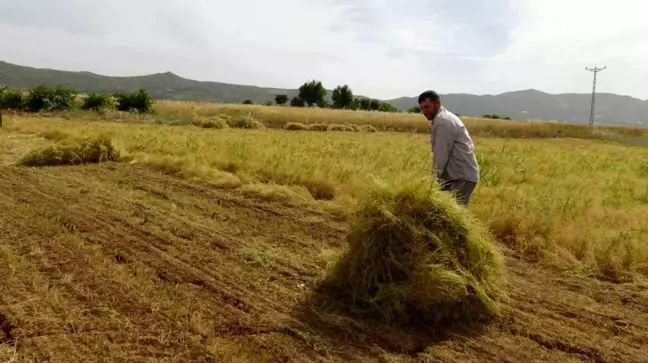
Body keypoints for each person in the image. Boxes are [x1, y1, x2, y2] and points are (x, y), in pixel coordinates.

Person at [418, 90, 480, 207]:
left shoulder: (443, 122)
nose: (425, 111)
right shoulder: (442, 118)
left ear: (437, 102)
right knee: (445, 213)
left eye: (427, 107)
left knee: (455, 218)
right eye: (422, 109)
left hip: (461, 176)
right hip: (457, 175)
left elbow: (441, 154)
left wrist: (433, 181)